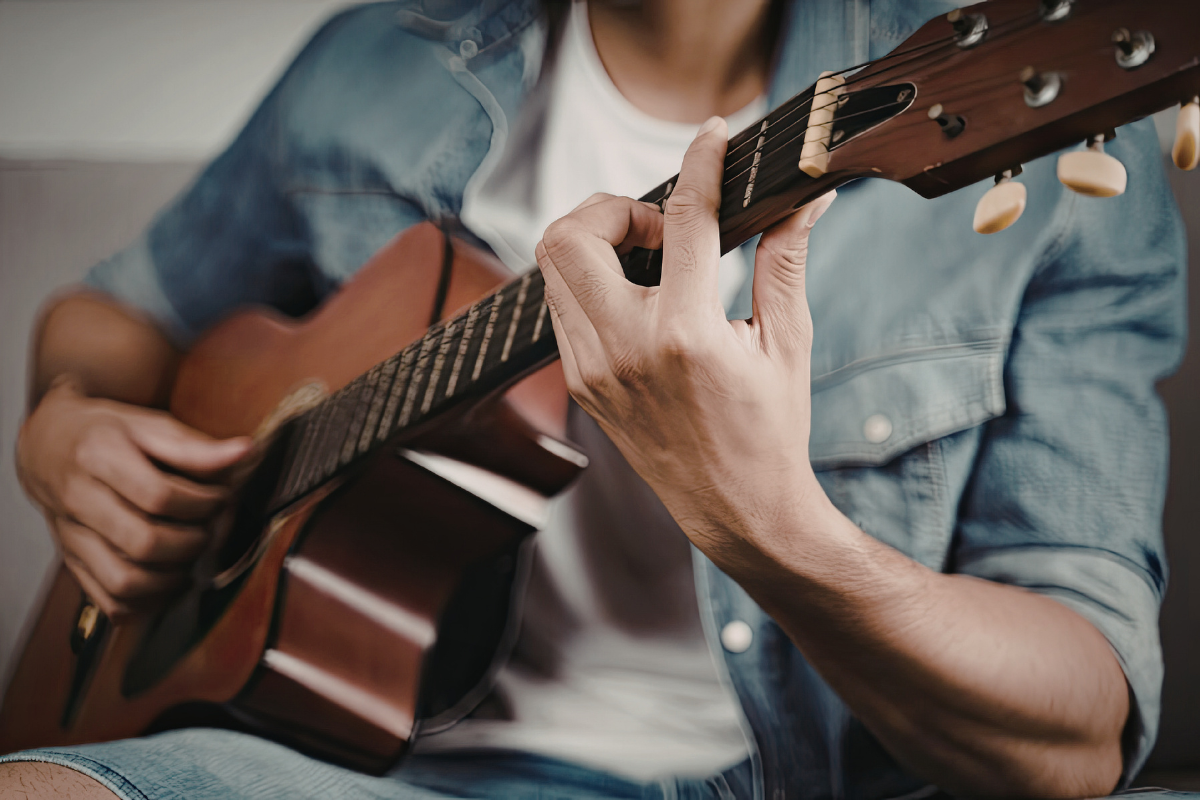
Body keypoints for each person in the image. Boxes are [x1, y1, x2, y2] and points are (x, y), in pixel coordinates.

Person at [0, 0, 1189, 798]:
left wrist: (773, 527)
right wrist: (61, 421)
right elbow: (118, 314)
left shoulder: (1032, 147)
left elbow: (1080, 725)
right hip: (356, 766)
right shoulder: (376, 63)